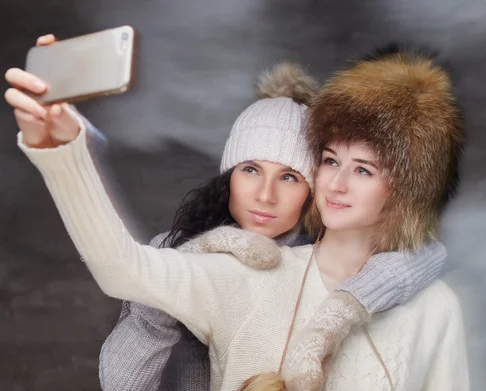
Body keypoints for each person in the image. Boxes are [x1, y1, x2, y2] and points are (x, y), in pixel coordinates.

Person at [6, 36, 452, 391]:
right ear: (228, 176)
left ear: (312, 190)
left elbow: (421, 254)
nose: (264, 195)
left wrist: (348, 304)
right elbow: (122, 384)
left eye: (290, 178)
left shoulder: (320, 256)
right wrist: (163, 305)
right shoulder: (181, 253)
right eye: (250, 170)